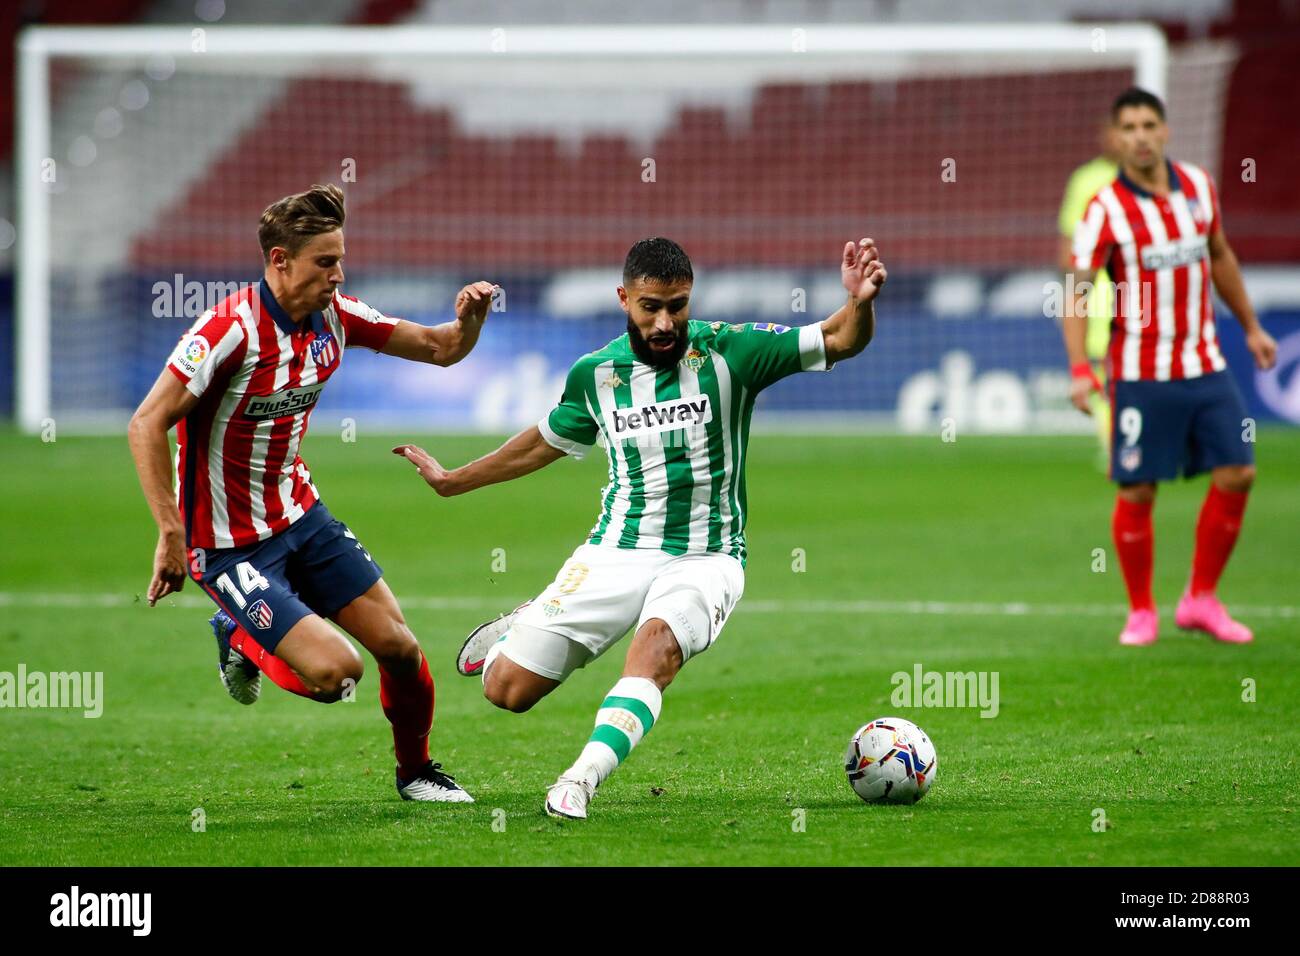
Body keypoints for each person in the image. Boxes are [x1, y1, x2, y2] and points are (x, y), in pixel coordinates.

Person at [393, 235, 885, 818]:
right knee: (506, 690)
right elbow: (542, 443)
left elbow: (839, 338)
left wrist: (859, 303)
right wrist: (455, 480)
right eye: (650, 306)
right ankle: (524, 622)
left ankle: (580, 778)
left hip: (707, 555)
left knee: (655, 649)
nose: (664, 321)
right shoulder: (596, 374)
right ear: (624, 298)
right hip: (615, 550)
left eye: (677, 305)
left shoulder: (733, 353)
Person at [128, 183, 494, 801]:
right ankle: (237, 632)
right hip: (227, 545)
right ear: (279, 261)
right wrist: (170, 533)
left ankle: (416, 774)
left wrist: (470, 323)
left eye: (340, 259)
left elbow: (440, 348)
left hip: (302, 517)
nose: (338, 273)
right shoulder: (228, 330)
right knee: (335, 675)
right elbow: (146, 422)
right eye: (325, 262)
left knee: (400, 650)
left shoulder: (335, 317)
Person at [1065, 89, 1277, 646]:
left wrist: (1251, 326)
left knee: (1239, 471)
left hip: (1204, 362)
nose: (1139, 135)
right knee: (1138, 490)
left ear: (1165, 131)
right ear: (1115, 138)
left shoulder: (1200, 188)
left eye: (1149, 124)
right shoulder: (1104, 208)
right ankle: (1141, 611)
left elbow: (1221, 253)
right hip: (1139, 370)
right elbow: (1077, 289)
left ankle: (1200, 599)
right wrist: (1079, 369)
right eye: (1128, 126)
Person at [1058, 115, 1122, 463]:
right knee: (1102, 363)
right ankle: (1116, 444)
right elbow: (1069, 240)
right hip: (1098, 290)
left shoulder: (1155, 179)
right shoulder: (1086, 179)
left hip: (1143, 289)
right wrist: (1067, 295)